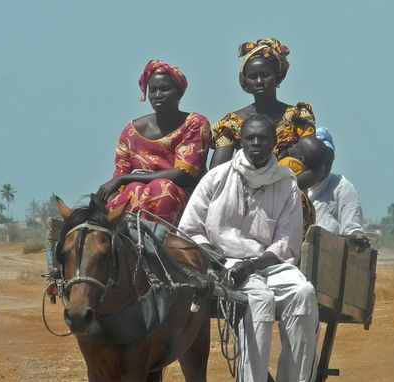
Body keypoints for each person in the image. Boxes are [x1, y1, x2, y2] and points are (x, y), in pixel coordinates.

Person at [178, 114, 319, 382]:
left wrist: (254, 265)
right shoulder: (218, 176)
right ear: (241, 141)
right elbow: (190, 228)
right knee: (259, 299)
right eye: (250, 138)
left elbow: (287, 242)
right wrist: (215, 258)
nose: (256, 144)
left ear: (273, 143)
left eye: (263, 139)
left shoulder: (286, 183)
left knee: (304, 293)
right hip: (221, 262)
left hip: (268, 263)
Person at [96, 59, 211, 226]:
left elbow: (183, 174)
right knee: (133, 188)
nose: (158, 95)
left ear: (179, 93)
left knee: (161, 186)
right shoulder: (131, 131)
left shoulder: (195, 123)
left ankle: (158, 240)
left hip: (183, 197)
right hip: (137, 196)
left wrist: (126, 179)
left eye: (165, 89)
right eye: (153, 90)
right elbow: (121, 173)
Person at [209, 38, 315, 170]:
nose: (259, 81)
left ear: (277, 76)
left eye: (265, 75)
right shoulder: (231, 123)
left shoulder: (298, 116)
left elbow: (313, 160)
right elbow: (217, 171)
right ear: (245, 81)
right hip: (246, 188)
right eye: (252, 77)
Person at [309, 127, 369, 250]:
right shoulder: (289, 184)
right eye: (318, 157)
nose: (323, 163)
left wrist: (357, 239)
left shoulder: (341, 187)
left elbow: (352, 228)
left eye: (328, 158)